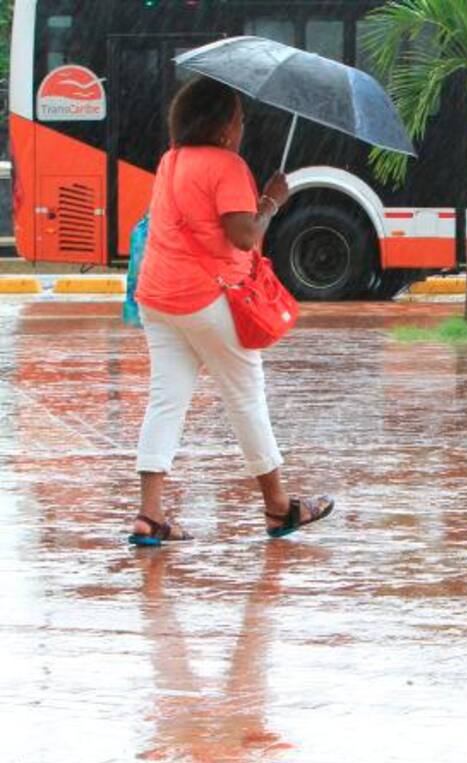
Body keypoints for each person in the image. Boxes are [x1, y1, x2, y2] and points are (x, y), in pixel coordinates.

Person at [128, 77, 334, 546]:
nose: (242, 128)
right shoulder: (226, 165)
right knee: (245, 398)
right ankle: (279, 507)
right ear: (222, 127)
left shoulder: (170, 160)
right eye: (239, 120)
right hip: (209, 298)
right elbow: (244, 236)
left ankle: (149, 513)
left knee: (166, 400)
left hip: (158, 298)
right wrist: (272, 203)